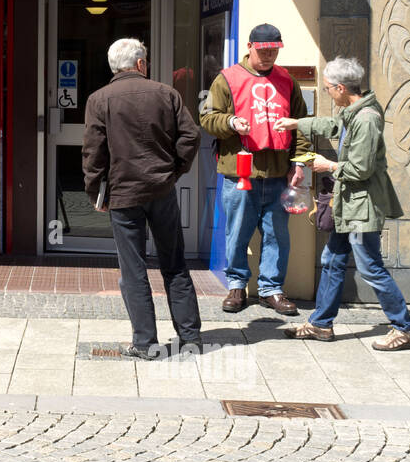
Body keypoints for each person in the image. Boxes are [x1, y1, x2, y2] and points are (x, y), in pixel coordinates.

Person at [273, 57, 410, 350]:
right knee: (332, 261)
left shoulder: (366, 119)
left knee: (369, 267)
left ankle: (405, 328)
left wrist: (327, 165)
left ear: (341, 88)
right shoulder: (355, 111)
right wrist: (295, 123)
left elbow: (360, 169)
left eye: (328, 89)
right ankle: (320, 324)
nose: (328, 92)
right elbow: (331, 125)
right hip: (349, 205)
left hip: (361, 208)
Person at [83, 38, 203, 359]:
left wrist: (96, 192)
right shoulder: (167, 94)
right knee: (174, 263)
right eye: (145, 60)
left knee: (133, 269)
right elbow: (191, 135)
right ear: (140, 64)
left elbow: (93, 154)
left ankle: (145, 343)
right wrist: (175, 171)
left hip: (123, 195)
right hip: (162, 189)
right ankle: (190, 338)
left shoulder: (99, 99)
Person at [200, 23, 309, 315]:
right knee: (236, 234)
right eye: (263, 51)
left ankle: (271, 289)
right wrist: (231, 123)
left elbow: (302, 124)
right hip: (240, 173)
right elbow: (207, 118)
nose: (269, 56)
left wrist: (299, 163)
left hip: (277, 174)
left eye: (273, 51)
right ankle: (236, 286)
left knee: (277, 235)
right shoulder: (226, 79)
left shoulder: (287, 80)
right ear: (249, 47)